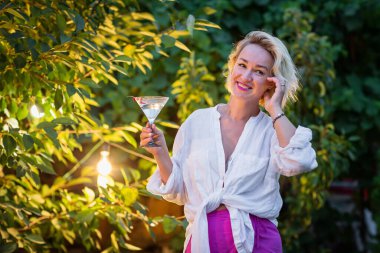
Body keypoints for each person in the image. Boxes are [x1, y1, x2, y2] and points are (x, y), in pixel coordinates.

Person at [140, 30, 318, 253]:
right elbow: (178, 191)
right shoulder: (197, 121)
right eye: (242, 65)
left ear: (271, 83)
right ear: (232, 65)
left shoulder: (273, 130)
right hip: (202, 242)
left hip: (256, 243)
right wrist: (160, 152)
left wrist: (275, 109)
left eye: (259, 72)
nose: (246, 77)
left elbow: (300, 161)